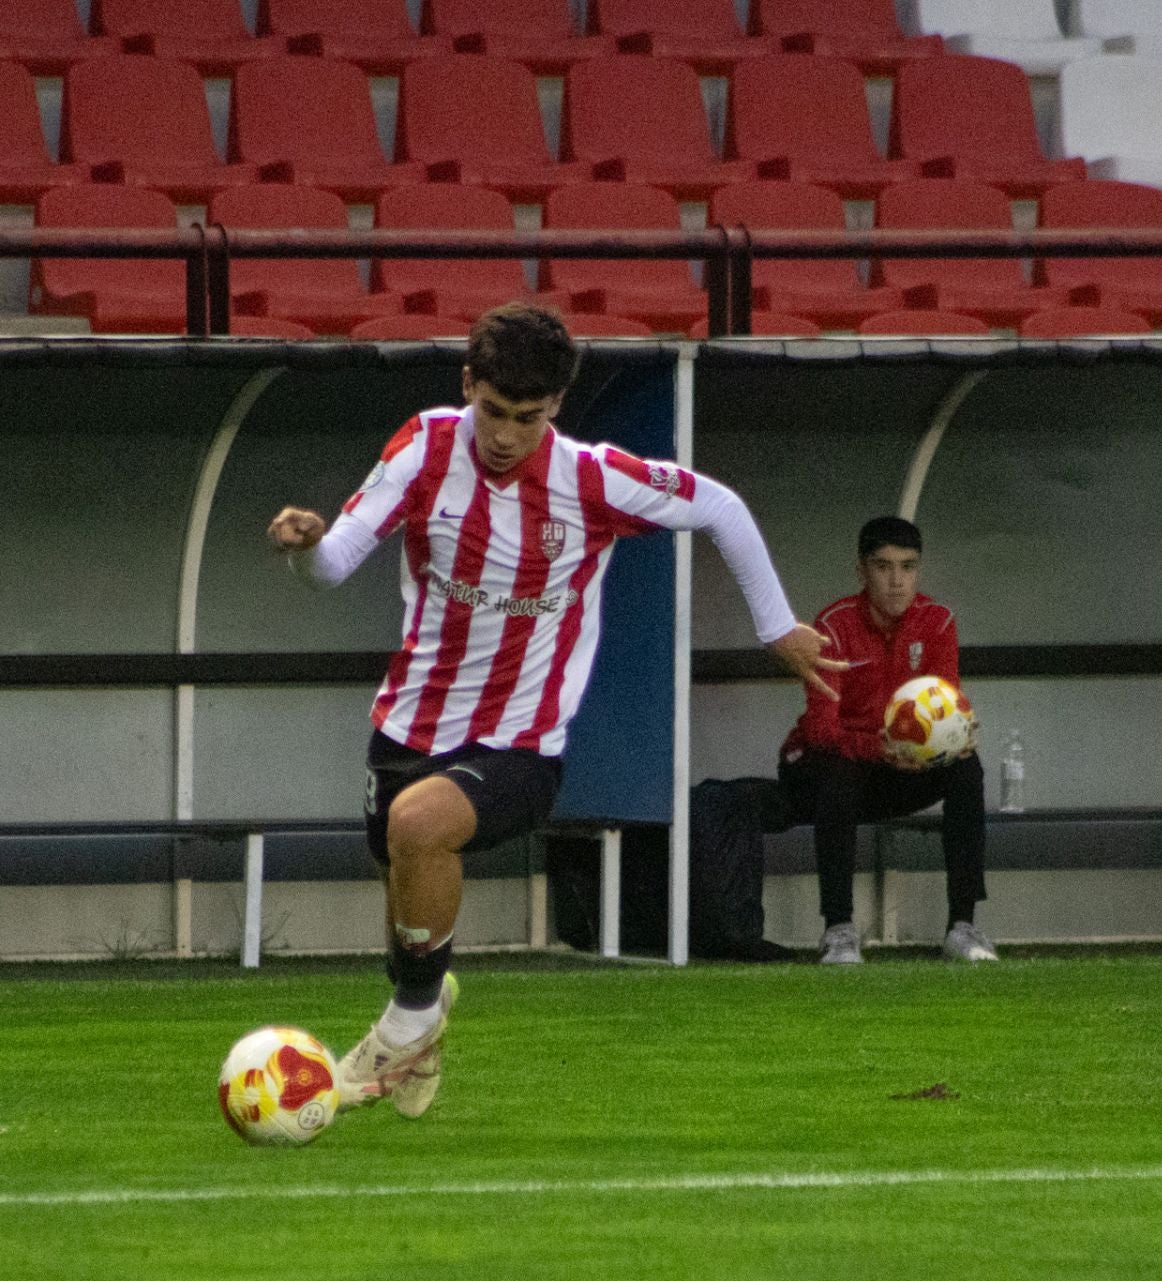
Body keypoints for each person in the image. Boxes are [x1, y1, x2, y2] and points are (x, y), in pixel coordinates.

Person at [267, 302, 842, 1117]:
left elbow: (721, 506)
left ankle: (406, 1025)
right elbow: (333, 567)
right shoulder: (426, 447)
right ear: (468, 385)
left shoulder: (591, 478)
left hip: (521, 740)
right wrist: (305, 548)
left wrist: (776, 625)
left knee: (418, 828)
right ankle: (421, 1019)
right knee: (407, 893)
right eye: (493, 412)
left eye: (527, 418)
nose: (505, 434)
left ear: (557, 406)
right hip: (408, 721)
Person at [778, 516, 995, 965]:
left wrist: (954, 738)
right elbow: (821, 731)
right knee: (837, 773)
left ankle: (963, 927)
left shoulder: (937, 622)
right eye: (883, 567)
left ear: (919, 570)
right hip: (819, 768)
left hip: (897, 769)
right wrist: (881, 749)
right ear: (862, 572)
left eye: (908, 567)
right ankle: (838, 930)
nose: (897, 582)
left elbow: (946, 702)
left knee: (967, 769)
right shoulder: (832, 627)